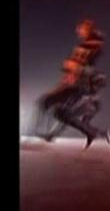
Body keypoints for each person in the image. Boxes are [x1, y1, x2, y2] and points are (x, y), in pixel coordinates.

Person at [36, 19, 105, 148]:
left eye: (82, 29)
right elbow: (72, 67)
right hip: (73, 84)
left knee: (61, 112)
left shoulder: (93, 46)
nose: (78, 31)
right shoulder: (83, 46)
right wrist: (69, 70)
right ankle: (88, 132)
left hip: (79, 87)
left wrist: (75, 68)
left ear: (88, 30)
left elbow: (84, 66)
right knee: (51, 106)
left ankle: (89, 131)